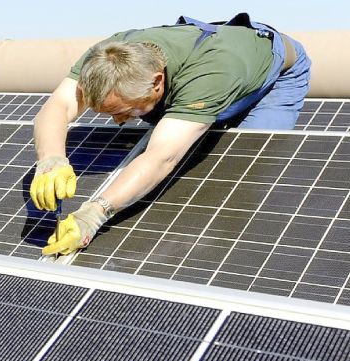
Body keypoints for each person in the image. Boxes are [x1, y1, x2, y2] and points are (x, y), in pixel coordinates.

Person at [33, 13, 311, 256]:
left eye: (123, 111)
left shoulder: (210, 76)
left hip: (271, 78)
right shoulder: (104, 59)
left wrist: (95, 213)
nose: (118, 122)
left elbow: (161, 157)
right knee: (182, 136)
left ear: (156, 83)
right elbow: (58, 105)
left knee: (240, 163)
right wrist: (51, 159)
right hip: (205, 65)